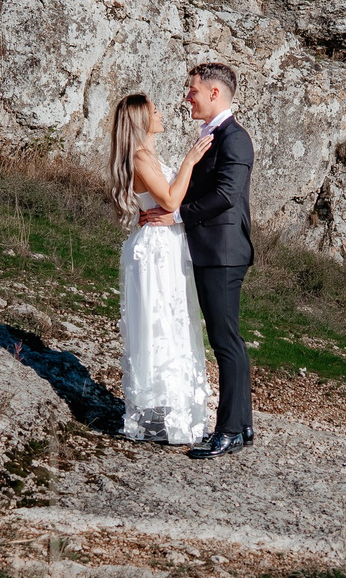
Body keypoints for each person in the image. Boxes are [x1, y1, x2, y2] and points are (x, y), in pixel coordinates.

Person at [141, 62, 254, 459]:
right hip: (210, 251)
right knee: (228, 339)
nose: (186, 97)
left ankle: (228, 431)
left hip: (222, 253)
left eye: (192, 90)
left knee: (226, 341)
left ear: (213, 94)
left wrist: (176, 215)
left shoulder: (235, 138)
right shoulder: (214, 136)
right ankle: (241, 425)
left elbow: (226, 195)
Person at [106, 92, 216, 445]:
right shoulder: (140, 157)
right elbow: (169, 200)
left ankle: (172, 411)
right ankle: (163, 413)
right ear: (142, 120)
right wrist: (188, 162)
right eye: (155, 110)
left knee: (173, 321)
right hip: (155, 249)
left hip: (165, 244)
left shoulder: (148, 155)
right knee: (160, 323)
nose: (162, 112)